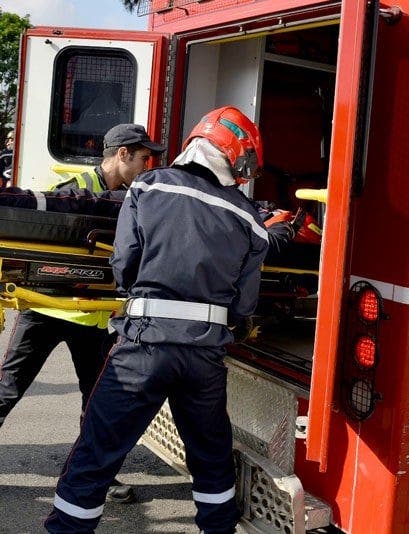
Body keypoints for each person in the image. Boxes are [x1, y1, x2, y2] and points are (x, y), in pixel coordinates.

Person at [44, 106, 299, 534]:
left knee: (98, 450)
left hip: (144, 344)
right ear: (237, 159)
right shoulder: (249, 219)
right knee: (211, 457)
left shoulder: (148, 186)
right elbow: (243, 304)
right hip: (204, 358)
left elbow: (124, 263)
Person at [0, 124, 165, 503]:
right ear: (122, 154)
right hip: (45, 309)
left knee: (97, 404)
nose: (147, 165)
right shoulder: (69, 191)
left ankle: (92, 478)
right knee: (6, 391)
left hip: (92, 320)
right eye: (143, 157)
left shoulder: (132, 201)